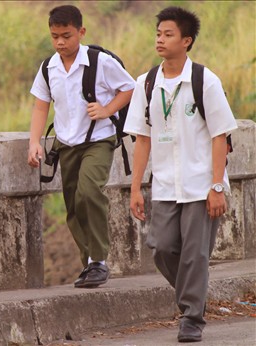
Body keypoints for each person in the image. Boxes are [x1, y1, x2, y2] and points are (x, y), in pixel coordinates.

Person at [124, 6, 238, 343]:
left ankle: (191, 317)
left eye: (168, 34)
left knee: (195, 253)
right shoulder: (145, 83)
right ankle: (195, 294)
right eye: (158, 33)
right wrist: (135, 188)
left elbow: (221, 136)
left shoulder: (205, 80)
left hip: (201, 183)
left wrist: (217, 186)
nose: (160, 39)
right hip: (164, 185)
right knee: (161, 247)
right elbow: (141, 139)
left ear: (186, 41)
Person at [27, 5, 135, 288]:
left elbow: (129, 87)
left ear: (81, 32)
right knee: (74, 205)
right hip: (66, 144)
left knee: (89, 192)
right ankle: (89, 263)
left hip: (99, 140)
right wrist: (34, 143)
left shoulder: (100, 62)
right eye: (55, 36)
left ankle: (99, 260)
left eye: (66, 36)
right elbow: (41, 106)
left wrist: (106, 108)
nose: (60, 42)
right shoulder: (48, 67)